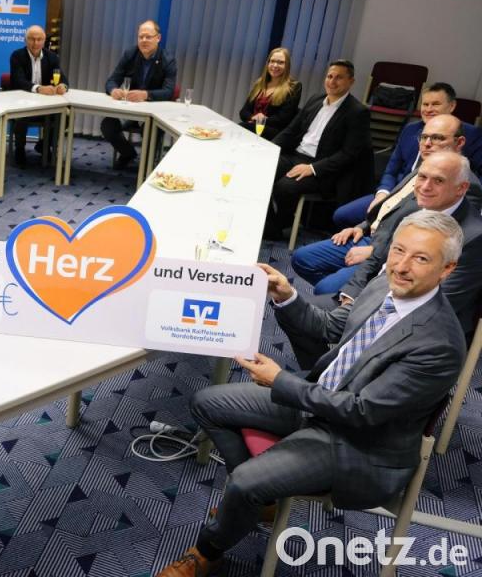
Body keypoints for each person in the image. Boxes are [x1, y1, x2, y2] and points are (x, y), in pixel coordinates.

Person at [156, 210, 465, 577]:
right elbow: (333, 326)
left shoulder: (440, 345)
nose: (401, 266)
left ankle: (208, 550)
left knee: (243, 482)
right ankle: (259, 501)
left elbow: (362, 412)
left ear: (447, 269)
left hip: (357, 444)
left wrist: (280, 382)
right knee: (206, 404)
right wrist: (287, 296)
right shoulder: (385, 285)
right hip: (319, 400)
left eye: (421, 258)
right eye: (398, 250)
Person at [291, 116, 475, 294]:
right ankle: (347, 295)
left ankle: (351, 296)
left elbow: (440, 243)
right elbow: (395, 207)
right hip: (373, 235)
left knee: (325, 289)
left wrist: (375, 253)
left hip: (391, 251)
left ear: (459, 143)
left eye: (437, 138)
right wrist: (362, 227)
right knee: (302, 259)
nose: (427, 144)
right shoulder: (423, 167)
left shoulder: (465, 185)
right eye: (424, 137)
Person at [339, 151, 482, 337]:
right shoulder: (417, 208)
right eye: (422, 177)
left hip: (413, 330)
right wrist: (351, 297)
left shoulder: (474, 238)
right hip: (373, 301)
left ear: (461, 188)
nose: (425, 187)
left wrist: (358, 315)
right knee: (305, 314)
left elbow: (439, 304)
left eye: (438, 181)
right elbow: (379, 256)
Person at [332, 82, 482, 227]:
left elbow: (475, 178)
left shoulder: (470, 135)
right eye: (425, 104)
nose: (428, 109)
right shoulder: (410, 130)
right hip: (397, 192)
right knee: (341, 215)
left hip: (431, 199)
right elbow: (391, 170)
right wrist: (382, 194)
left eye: (435, 104)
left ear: (452, 106)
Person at [264, 60, 372, 239]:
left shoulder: (357, 112)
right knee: (262, 171)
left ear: (351, 82)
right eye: (330, 76)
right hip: (296, 155)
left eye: (339, 78)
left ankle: (277, 226)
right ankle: (269, 221)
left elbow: (349, 154)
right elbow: (291, 131)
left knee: (284, 186)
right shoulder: (315, 99)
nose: (332, 81)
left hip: (322, 167)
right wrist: (269, 149)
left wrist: (312, 168)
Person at [101, 20, 178, 169]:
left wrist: (146, 95)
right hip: (130, 108)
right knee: (107, 125)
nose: (144, 40)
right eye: (140, 37)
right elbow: (111, 80)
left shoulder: (168, 60)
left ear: (158, 38)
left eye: (148, 37)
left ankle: (147, 167)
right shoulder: (130, 54)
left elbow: (168, 91)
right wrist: (113, 90)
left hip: (154, 112)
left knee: (151, 131)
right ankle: (128, 153)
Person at [9, 25, 68, 167]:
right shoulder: (17, 56)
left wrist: (63, 86)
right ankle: (20, 149)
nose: (35, 43)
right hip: (23, 103)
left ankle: (44, 145)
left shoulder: (52, 57)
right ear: (25, 40)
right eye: (32, 39)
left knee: (65, 116)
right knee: (21, 117)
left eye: (39, 39)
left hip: (46, 105)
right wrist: (39, 88)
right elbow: (18, 81)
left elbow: (63, 79)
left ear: (44, 40)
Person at [237, 47, 302, 141]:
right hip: (252, 126)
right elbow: (243, 112)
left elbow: (283, 119)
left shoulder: (294, 87)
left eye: (280, 62)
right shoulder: (259, 83)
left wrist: (260, 120)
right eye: (272, 61)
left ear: (287, 65)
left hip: (274, 132)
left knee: (241, 128)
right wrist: (253, 117)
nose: (275, 65)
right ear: (268, 63)